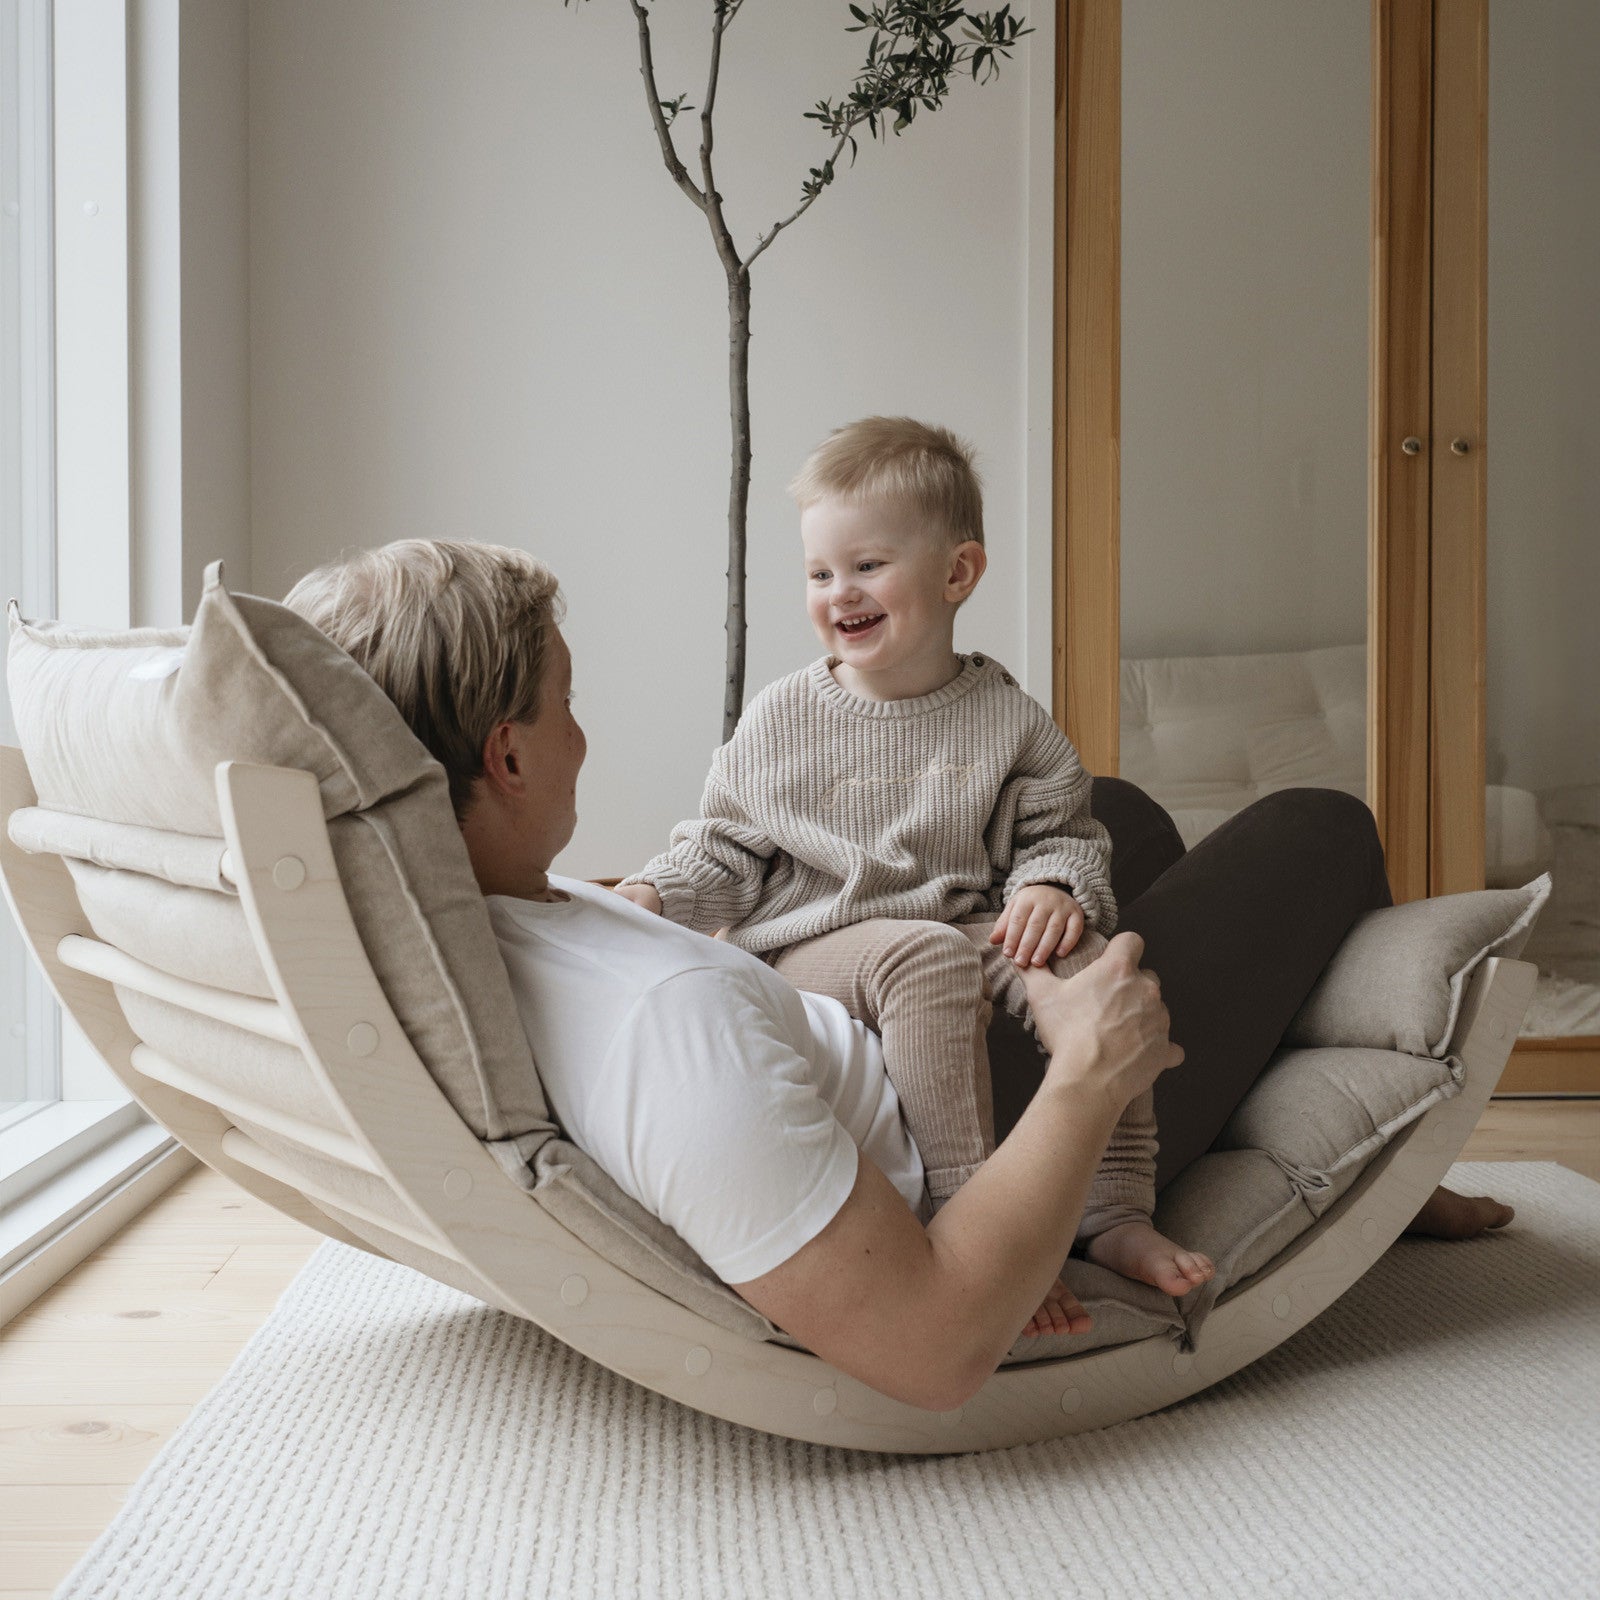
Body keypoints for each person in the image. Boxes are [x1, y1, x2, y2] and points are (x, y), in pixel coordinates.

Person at [284, 538, 1514, 1414]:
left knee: (1115, 816)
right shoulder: (665, 1029)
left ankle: (1270, 1080)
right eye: (568, 703)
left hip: (884, 1023)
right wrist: (1092, 1071)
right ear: (505, 757)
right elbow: (929, 1346)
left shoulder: (490, 909)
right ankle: (1324, 1149)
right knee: (1316, 825)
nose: (583, 734)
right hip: (981, 1111)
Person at [614, 418, 1197, 1343]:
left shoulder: (1008, 718)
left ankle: (1114, 1209)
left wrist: (1051, 888)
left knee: (1094, 966)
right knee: (926, 959)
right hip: (811, 944)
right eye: (819, 573)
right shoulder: (781, 719)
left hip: (962, 919)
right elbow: (724, 847)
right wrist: (657, 894)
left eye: (868, 566)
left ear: (958, 573)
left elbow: (1065, 833)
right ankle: (972, 1217)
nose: (838, 592)